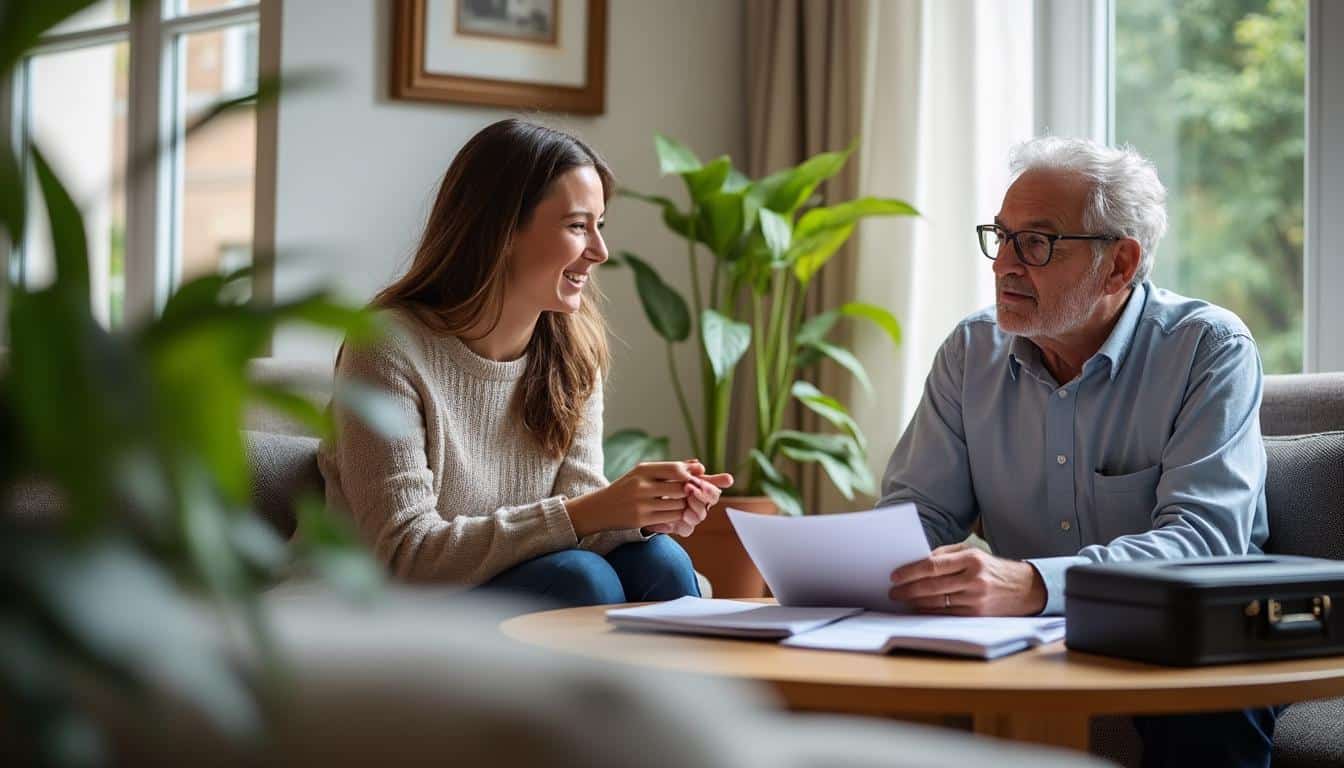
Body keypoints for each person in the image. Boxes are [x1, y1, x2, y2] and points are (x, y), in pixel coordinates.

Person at [878, 136, 1277, 767]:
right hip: (1024, 634)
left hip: (1186, 627)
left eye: (1034, 243)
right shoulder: (970, 352)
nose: (1003, 265)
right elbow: (916, 513)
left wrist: (1035, 582)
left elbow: (1204, 541)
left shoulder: (1207, 347)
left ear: (1119, 264)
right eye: (1000, 236)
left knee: (1206, 707)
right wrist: (866, 564)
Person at [319, 118, 732, 607]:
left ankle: (699, 685)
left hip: (519, 578)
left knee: (658, 559)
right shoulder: (387, 347)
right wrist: (588, 513)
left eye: (599, 226)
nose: (600, 251)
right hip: (386, 603)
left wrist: (638, 514)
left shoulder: (571, 354)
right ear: (502, 231)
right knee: (581, 579)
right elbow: (404, 554)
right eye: (578, 226)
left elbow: (583, 516)